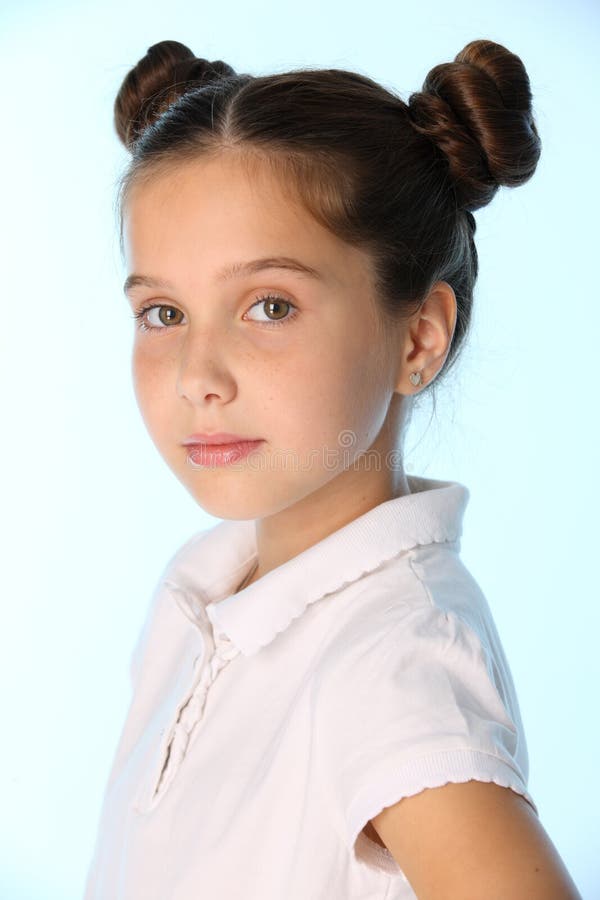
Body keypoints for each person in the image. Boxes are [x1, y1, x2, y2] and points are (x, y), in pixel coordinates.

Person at [83, 38, 582, 899]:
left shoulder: (397, 661)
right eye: (163, 311)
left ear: (418, 336)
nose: (198, 376)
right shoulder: (200, 588)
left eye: (269, 306)